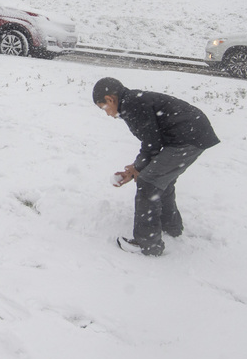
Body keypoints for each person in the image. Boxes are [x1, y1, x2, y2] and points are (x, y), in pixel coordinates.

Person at [93, 77, 220, 256]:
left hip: (187, 138)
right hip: (193, 133)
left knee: (148, 181)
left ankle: (148, 244)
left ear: (110, 99)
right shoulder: (132, 101)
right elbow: (151, 141)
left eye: (103, 108)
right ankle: (171, 226)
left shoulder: (131, 106)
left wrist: (138, 169)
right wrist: (135, 167)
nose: (106, 113)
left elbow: (152, 144)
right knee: (161, 179)